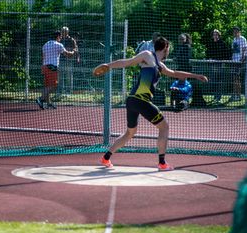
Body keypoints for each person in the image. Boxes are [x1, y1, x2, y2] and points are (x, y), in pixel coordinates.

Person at [95, 36, 208, 170]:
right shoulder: (147, 55)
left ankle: (106, 158)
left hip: (133, 101)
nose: (169, 51)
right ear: (165, 48)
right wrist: (109, 65)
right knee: (164, 127)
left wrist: (195, 76)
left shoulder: (160, 65)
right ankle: (162, 163)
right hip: (140, 100)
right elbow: (127, 62)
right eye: (169, 49)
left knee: (130, 133)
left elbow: (174, 73)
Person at [36, 31, 76, 109]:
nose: (61, 38)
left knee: (47, 86)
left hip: (44, 67)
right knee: (54, 86)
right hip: (52, 67)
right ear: (57, 36)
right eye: (60, 37)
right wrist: (73, 51)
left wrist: (42, 67)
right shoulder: (59, 45)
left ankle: (48, 103)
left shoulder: (45, 44)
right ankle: (40, 99)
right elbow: (67, 54)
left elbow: (43, 57)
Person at [206, 29, 231, 102]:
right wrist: (209, 59)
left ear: (219, 35)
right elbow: (208, 53)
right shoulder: (210, 43)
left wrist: (221, 60)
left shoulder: (222, 43)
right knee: (213, 80)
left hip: (220, 64)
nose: (215, 36)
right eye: (214, 34)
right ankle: (215, 97)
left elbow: (225, 54)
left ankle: (218, 97)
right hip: (212, 64)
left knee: (219, 81)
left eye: (216, 34)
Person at [55, 26, 79, 99]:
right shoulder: (60, 40)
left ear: (67, 32)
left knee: (68, 77)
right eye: (62, 31)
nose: (63, 33)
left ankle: (68, 92)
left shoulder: (71, 40)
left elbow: (76, 48)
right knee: (60, 77)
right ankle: (59, 92)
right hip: (60, 60)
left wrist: (74, 54)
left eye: (64, 31)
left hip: (69, 61)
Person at [229, 26, 247, 102]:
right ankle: (235, 94)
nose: (235, 33)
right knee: (234, 78)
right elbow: (233, 51)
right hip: (234, 61)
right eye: (234, 31)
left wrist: (242, 59)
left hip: (239, 61)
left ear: (239, 32)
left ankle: (238, 95)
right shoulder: (234, 40)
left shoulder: (242, 39)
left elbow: (244, 50)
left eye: (236, 31)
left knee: (237, 78)